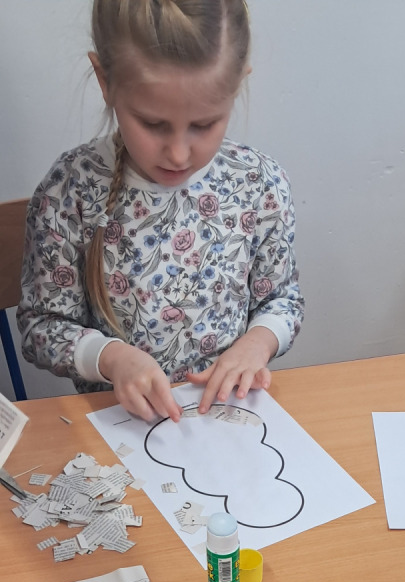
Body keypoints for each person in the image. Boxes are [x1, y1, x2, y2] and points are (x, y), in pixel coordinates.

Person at [17, 0, 304, 421]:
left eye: (204, 124)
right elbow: (40, 325)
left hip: (227, 420)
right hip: (122, 429)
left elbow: (283, 301)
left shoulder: (258, 182)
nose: (178, 153)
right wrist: (111, 358)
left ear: (236, 87)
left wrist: (257, 343)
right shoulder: (69, 191)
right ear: (105, 81)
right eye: (153, 124)